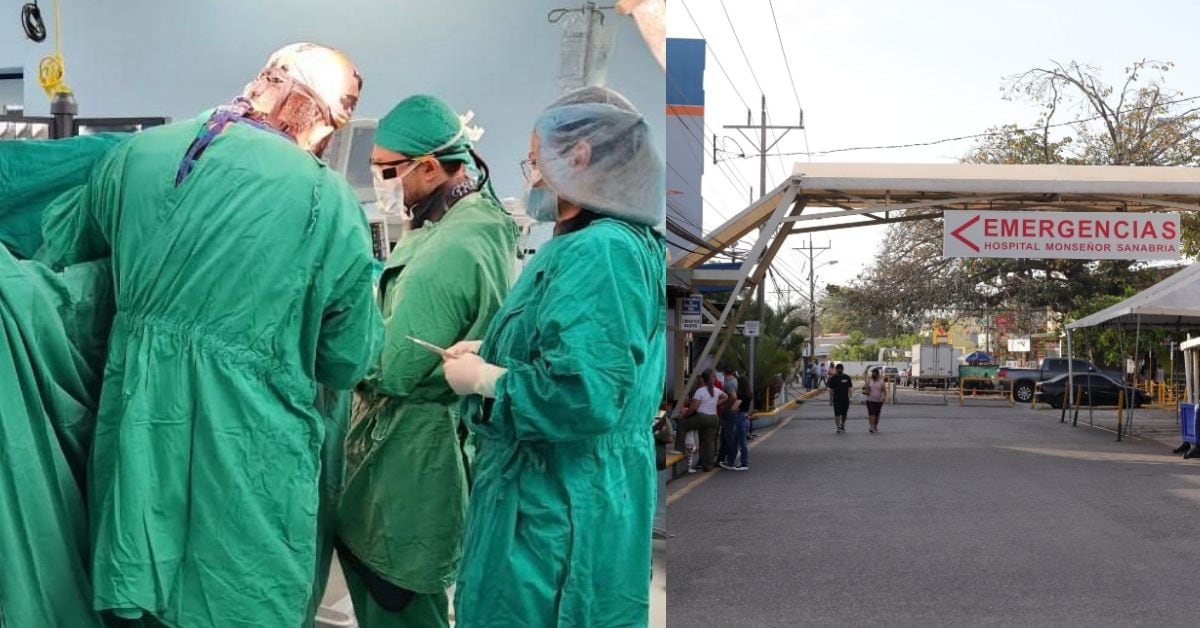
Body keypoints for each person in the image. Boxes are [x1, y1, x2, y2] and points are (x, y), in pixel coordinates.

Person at [38, 43, 382, 627]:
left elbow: (62, 262)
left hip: (139, 433)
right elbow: (347, 358)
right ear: (314, 114)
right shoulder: (323, 198)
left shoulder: (137, 156)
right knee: (237, 596)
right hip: (249, 451)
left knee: (142, 584)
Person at [439, 86, 666, 627]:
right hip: (562, 493)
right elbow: (570, 349)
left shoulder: (602, 250)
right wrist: (492, 351)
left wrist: (488, 382)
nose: (533, 176)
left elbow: (583, 394)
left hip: (557, 508)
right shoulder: (593, 246)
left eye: (536, 160)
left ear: (579, 156)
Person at [334, 95, 519, 628]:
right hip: (417, 447)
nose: (380, 183)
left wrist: (337, 329)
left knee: (399, 601)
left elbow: (392, 368)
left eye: (387, 171)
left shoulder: (452, 250)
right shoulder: (467, 219)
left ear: (432, 166)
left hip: (411, 463)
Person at [677, 370, 725, 472]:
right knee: (709, 441)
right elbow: (726, 396)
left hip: (702, 417)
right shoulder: (716, 390)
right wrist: (716, 403)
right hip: (714, 418)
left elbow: (693, 408)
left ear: (702, 379)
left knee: (682, 424)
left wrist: (685, 415)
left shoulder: (700, 391)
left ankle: (679, 451)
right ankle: (708, 466)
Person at [827, 363, 854, 433]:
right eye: (838, 369)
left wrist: (851, 398)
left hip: (845, 399)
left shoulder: (847, 377)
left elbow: (849, 388)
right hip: (836, 399)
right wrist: (830, 400)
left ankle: (843, 424)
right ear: (836, 369)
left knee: (844, 414)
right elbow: (831, 390)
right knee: (837, 413)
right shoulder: (833, 378)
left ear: (842, 369)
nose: (839, 370)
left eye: (841, 369)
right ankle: (838, 426)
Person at [864, 367, 888, 433]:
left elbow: (884, 391)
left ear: (877, 374)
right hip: (870, 400)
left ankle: (875, 425)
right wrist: (866, 387)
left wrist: (884, 397)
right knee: (871, 413)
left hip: (878, 401)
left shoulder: (881, 381)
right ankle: (871, 426)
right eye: (872, 374)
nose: (873, 376)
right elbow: (864, 387)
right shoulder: (870, 380)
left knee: (876, 415)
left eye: (874, 374)